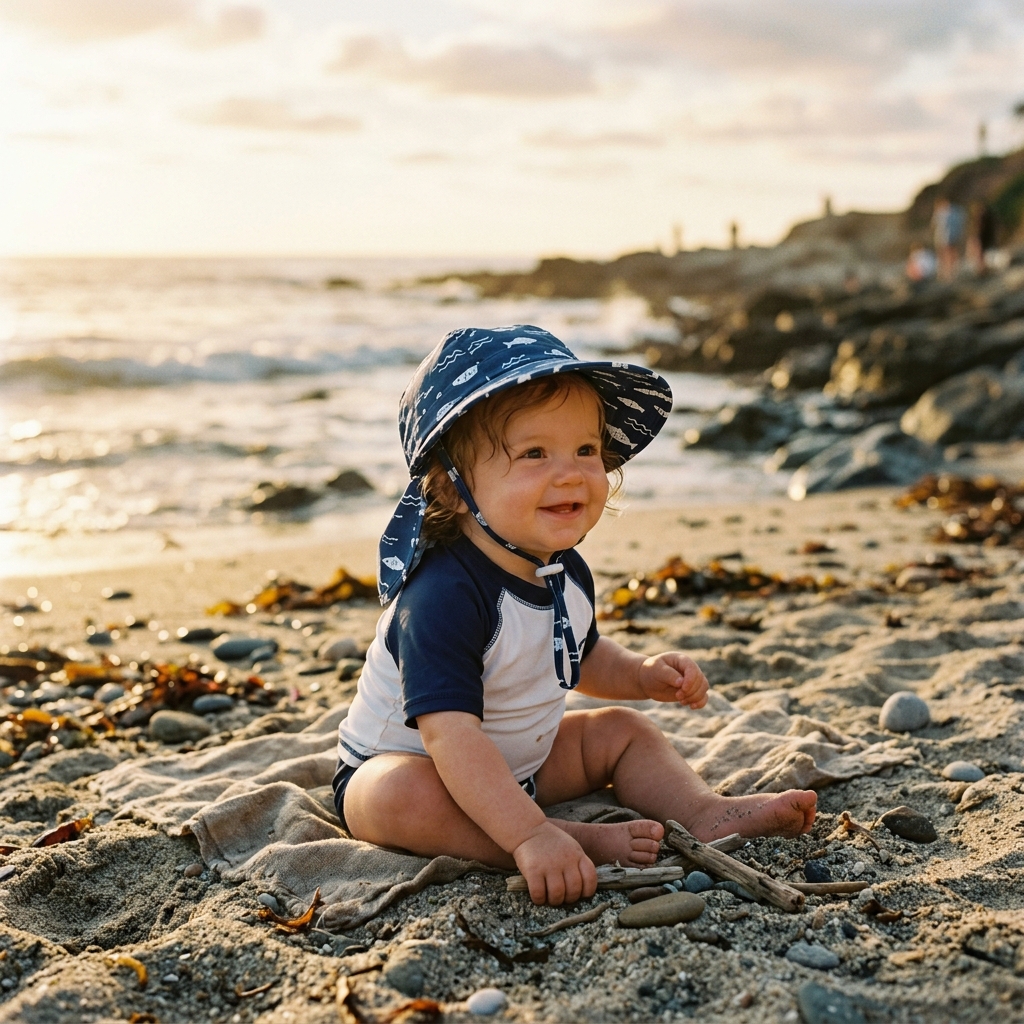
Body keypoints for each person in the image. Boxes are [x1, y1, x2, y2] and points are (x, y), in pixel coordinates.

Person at [334, 326, 817, 906]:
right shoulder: (442, 598)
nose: (571, 473)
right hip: (421, 764)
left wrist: (640, 675)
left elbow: (579, 656)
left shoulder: (565, 570)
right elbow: (451, 735)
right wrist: (530, 831)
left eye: (586, 450)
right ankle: (551, 838)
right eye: (535, 453)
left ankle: (703, 812)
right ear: (452, 490)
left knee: (621, 730)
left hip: (524, 766)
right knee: (395, 795)